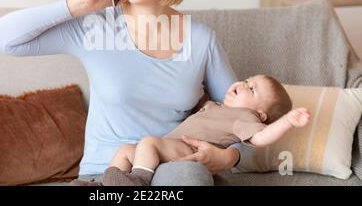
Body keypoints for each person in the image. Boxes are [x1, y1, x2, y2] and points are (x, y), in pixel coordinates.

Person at [0, 0, 242, 186]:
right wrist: (82, 4)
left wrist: (229, 157)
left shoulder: (201, 40)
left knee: (190, 176)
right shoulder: (97, 27)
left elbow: (244, 115)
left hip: (170, 170)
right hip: (105, 173)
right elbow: (2, 38)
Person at [73, 74, 310, 186]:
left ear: (260, 114)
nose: (243, 84)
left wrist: (288, 121)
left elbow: (261, 138)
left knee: (148, 142)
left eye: (252, 89)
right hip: (168, 149)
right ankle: (104, 187)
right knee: (126, 149)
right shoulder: (215, 106)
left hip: (187, 151)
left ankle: (137, 183)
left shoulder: (244, 118)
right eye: (247, 80)